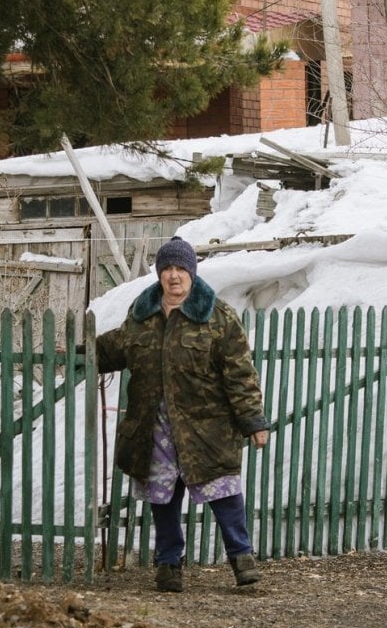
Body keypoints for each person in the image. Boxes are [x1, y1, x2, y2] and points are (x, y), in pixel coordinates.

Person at [96, 236, 270, 592]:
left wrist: (253, 421)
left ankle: (242, 559)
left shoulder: (218, 317)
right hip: (155, 424)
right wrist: (80, 350)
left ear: (192, 272)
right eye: (167, 269)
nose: (174, 276)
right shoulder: (142, 314)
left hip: (205, 427)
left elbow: (240, 374)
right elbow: (121, 346)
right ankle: (168, 564)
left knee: (223, 492)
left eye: (180, 269)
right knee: (163, 496)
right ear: (159, 274)